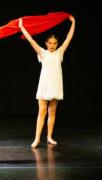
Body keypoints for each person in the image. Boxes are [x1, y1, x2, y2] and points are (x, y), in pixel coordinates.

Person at [18, 15, 75, 148]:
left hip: (55, 85)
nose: (52, 45)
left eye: (55, 43)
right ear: (46, 43)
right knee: (42, 111)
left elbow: (69, 38)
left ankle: (49, 136)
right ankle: (37, 138)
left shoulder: (60, 52)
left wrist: (73, 23)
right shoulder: (42, 52)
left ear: (57, 44)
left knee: (53, 111)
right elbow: (31, 40)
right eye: (50, 43)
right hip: (45, 85)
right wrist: (21, 27)